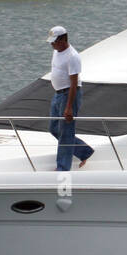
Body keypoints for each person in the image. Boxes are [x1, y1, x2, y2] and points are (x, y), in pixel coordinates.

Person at [47, 25, 94, 171]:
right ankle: (83, 151)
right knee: (53, 128)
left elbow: (74, 83)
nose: (52, 44)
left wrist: (69, 107)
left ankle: (63, 167)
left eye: (54, 41)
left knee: (66, 131)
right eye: (51, 42)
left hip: (69, 95)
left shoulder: (72, 57)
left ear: (63, 39)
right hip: (58, 94)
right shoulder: (57, 51)